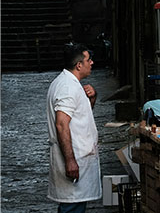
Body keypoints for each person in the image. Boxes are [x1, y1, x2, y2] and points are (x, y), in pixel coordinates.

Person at [46, 44, 102, 212]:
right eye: (88, 60)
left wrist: (91, 100)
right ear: (79, 65)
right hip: (76, 157)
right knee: (72, 207)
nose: (91, 63)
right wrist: (70, 161)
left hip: (81, 157)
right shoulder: (67, 88)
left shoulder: (71, 84)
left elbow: (78, 118)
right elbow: (62, 124)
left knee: (75, 206)